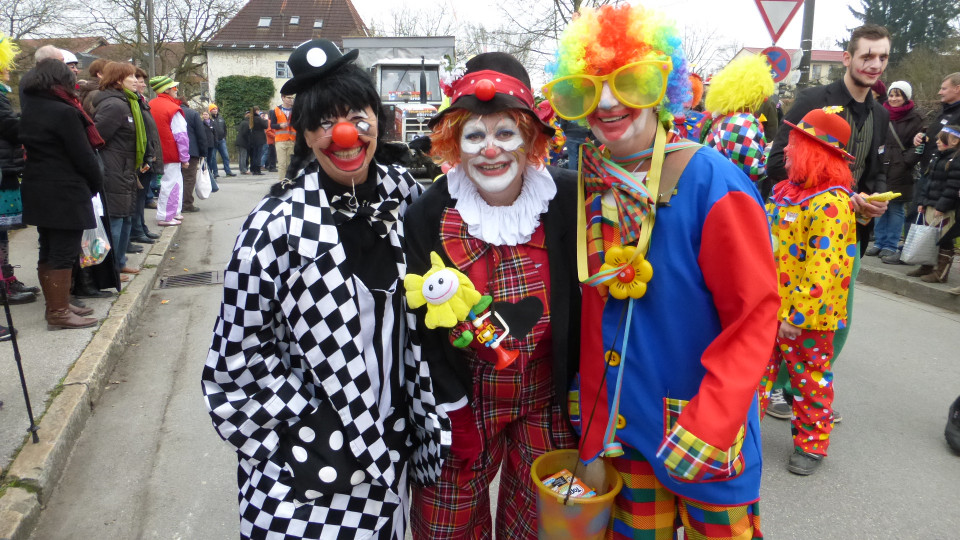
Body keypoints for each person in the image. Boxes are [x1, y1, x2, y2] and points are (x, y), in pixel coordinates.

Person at [543, 4, 779, 538]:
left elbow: (754, 317)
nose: (608, 103)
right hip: (621, 433)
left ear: (661, 86)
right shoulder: (586, 184)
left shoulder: (713, 182)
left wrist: (714, 420)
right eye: (589, 90)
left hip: (702, 429)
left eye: (629, 82)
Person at [202, 38, 447, 539]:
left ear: (378, 119)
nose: (344, 134)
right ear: (306, 136)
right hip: (305, 467)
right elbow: (235, 359)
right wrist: (307, 430)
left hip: (392, 446)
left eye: (357, 116)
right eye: (322, 122)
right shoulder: (275, 225)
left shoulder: (407, 198)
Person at [405, 52, 580, 539]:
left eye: (506, 133)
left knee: (544, 524)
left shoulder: (567, 198)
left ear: (531, 139)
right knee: (446, 523)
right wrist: (452, 409)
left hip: (546, 398)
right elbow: (420, 328)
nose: (490, 150)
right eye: (474, 135)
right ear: (454, 143)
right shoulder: (428, 213)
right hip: (465, 398)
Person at [764, 23, 892, 421]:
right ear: (848, 58)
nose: (874, 64)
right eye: (867, 55)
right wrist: (828, 193)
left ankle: (805, 390)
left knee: (833, 321)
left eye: (882, 57)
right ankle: (778, 387)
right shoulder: (813, 99)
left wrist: (873, 200)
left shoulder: (879, 114)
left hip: (848, 235)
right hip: (800, 231)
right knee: (784, 315)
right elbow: (777, 162)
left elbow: (877, 172)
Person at [760, 106, 859, 476]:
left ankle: (811, 445)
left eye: (794, 144)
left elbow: (823, 269)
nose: (786, 149)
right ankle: (742, 432)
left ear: (814, 153)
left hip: (809, 317)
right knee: (756, 373)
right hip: (771, 305)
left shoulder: (831, 204)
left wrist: (796, 316)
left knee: (809, 381)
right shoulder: (787, 193)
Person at [19, 59, 102, 330]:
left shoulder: (31, 108)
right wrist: (95, 182)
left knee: (48, 247)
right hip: (65, 189)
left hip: (38, 186)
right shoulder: (64, 111)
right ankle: (58, 312)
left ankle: (57, 304)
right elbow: (83, 155)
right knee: (64, 252)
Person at [93, 62, 147, 281]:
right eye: (130, 77)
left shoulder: (126, 102)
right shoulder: (114, 105)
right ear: (117, 80)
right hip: (114, 169)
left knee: (125, 219)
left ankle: (120, 263)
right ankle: (111, 270)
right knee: (116, 221)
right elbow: (96, 137)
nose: (136, 80)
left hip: (125, 169)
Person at [0, 34, 38, 343]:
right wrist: (32, 121)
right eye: (5, 65)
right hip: (3, 171)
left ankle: (6, 279)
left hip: (6, 170)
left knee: (2, 233)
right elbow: (11, 127)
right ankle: (4, 283)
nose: (9, 69)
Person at [703, 53, 775, 184]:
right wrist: (772, 150)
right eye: (760, 93)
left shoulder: (723, 119)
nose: (764, 99)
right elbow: (755, 171)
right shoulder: (742, 123)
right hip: (730, 192)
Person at [873, 81, 923, 263]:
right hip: (881, 165)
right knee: (879, 204)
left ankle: (890, 244)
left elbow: (918, 145)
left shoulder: (915, 118)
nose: (893, 99)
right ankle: (879, 242)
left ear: (906, 97)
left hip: (901, 169)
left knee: (895, 208)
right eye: (891, 95)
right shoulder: (881, 114)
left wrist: (906, 161)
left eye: (898, 95)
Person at [909, 73, 960, 229]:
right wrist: (922, 136)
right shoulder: (944, 111)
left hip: (946, 176)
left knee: (937, 226)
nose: (939, 92)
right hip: (930, 171)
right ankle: (914, 245)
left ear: (957, 89)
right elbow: (937, 136)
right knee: (916, 216)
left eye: (944, 88)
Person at [911, 126, 960, 284]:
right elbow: (928, 182)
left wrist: (942, 206)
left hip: (944, 208)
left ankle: (940, 272)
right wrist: (922, 201)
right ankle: (927, 265)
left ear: (954, 141)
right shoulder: (937, 157)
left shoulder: (956, 160)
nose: (937, 141)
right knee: (929, 236)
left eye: (941, 138)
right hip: (930, 204)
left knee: (943, 238)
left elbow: (952, 187)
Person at [148, 76, 189, 226]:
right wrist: (185, 157)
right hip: (171, 152)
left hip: (156, 150)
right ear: (166, 90)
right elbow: (181, 136)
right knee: (172, 184)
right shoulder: (172, 108)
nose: (176, 90)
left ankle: (174, 212)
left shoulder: (150, 104)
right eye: (174, 88)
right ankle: (166, 215)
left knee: (173, 182)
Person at [129, 67, 162, 245]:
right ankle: (137, 230)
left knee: (141, 196)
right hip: (141, 157)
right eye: (139, 81)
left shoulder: (141, 101)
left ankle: (141, 227)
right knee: (138, 196)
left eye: (142, 81)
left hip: (148, 155)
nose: (141, 84)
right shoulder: (133, 101)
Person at [179, 102, 207, 213]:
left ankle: (176, 203)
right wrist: (203, 152)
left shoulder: (173, 112)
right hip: (191, 151)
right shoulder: (192, 113)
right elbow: (201, 134)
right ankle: (186, 204)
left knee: (177, 178)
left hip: (175, 151)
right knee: (189, 178)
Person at [269, 94, 296, 178]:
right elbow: (272, 125)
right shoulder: (276, 110)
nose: (291, 99)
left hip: (292, 140)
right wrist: (279, 126)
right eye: (288, 98)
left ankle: (289, 180)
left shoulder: (296, 110)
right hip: (280, 140)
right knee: (281, 163)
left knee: (290, 164)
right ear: (283, 98)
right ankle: (282, 182)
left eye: (292, 98)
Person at [207, 104, 236, 178]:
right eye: (213, 109)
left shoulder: (221, 118)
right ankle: (215, 172)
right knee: (213, 158)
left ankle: (228, 171)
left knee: (225, 156)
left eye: (216, 109)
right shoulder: (209, 119)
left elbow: (225, 128)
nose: (215, 110)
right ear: (210, 111)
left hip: (221, 140)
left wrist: (224, 137)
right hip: (213, 141)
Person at [246, 106, 268, 175]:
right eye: (258, 110)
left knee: (254, 155)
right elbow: (265, 126)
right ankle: (258, 170)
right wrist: (266, 119)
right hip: (259, 138)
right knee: (259, 154)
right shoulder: (258, 118)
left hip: (253, 138)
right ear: (256, 111)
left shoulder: (251, 119)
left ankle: (253, 169)